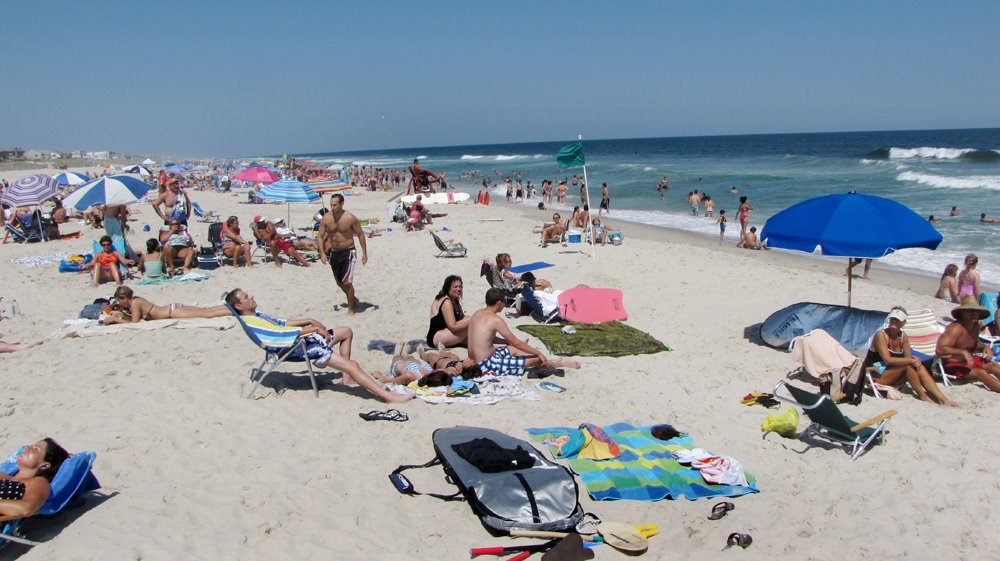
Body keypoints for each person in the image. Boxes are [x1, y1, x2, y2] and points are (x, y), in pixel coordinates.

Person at [226, 288, 410, 403]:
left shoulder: (257, 315)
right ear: (239, 306)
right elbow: (281, 335)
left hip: (301, 340)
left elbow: (283, 323)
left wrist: (309, 321)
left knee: (346, 331)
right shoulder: (253, 322)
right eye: (245, 297)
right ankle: (388, 397)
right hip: (297, 348)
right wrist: (312, 329)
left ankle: (346, 377)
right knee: (352, 365)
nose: (251, 296)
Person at [468, 288, 581, 376]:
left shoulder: (477, 314)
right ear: (498, 303)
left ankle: (548, 360)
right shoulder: (495, 320)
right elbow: (517, 342)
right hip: (487, 365)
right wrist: (538, 353)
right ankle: (557, 364)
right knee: (538, 359)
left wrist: (507, 342)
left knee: (514, 349)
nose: (504, 305)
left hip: (474, 360)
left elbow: (486, 338)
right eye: (504, 302)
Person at [864, 307, 955, 406]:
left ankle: (942, 398)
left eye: (897, 319)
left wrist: (913, 361)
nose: (893, 321)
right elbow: (887, 360)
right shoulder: (881, 335)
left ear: (903, 323)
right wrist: (911, 360)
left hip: (892, 373)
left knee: (918, 366)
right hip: (874, 373)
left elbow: (907, 358)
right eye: (892, 319)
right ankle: (922, 395)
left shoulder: (903, 337)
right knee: (909, 364)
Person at [318, 194, 367, 314]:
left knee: (346, 282)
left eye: (335, 205)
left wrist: (364, 253)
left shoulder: (350, 218)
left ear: (341, 204)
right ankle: (352, 298)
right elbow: (320, 236)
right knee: (339, 282)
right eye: (331, 205)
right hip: (334, 253)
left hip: (348, 252)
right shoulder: (326, 218)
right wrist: (322, 252)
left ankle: (351, 309)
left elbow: (360, 234)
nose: (332, 207)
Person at [936, 299, 1000, 392]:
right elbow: (940, 349)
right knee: (981, 373)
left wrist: (985, 347)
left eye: (976, 311)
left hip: (969, 361)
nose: (974, 313)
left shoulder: (975, 326)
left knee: (993, 366)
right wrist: (963, 352)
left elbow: (973, 344)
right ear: (962, 312)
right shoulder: (955, 328)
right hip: (952, 364)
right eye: (970, 310)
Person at [0, 438, 70, 518]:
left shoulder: (38, 482)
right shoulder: (2, 475)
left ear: (44, 465)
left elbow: (26, 509)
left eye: (35, 449)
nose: (27, 448)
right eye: (30, 446)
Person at [102, 286, 232, 324]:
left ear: (124, 298)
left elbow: (134, 323)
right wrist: (121, 315)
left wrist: (115, 319)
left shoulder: (135, 303)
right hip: (172, 308)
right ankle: (232, 307)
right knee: (206, 310)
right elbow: (134, 318)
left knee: (208, 314)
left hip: (172, 313)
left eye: (120, 300)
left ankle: (235, 310)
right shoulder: (136, 300)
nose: (120, 303)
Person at [427, 275, 471, 347]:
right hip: (437, 337)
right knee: (473, 325)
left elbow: (462, 318)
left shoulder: (454, 300)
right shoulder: (446, 301)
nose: (459, 289)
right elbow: (453, 327)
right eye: (455, 287)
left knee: (475, 338)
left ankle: (494, 345)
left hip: (447, 333)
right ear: (448, 288)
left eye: (460, 286)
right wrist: (473, 320)